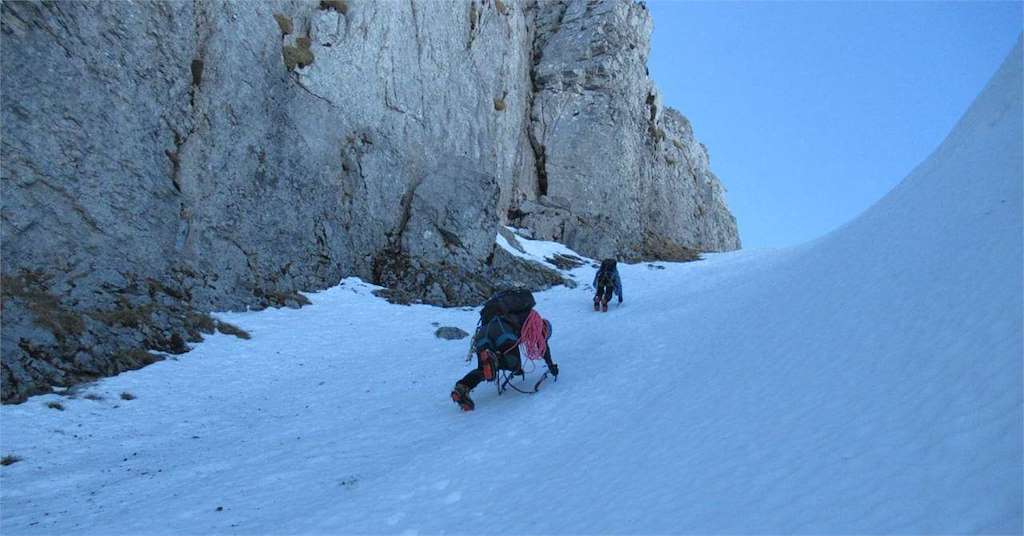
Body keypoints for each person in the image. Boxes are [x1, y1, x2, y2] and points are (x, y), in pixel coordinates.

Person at [452, 289, 558, 411]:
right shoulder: (537, 323)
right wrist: (551, 365)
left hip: (483, 333)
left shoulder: (520, 314)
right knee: (512, 363)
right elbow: (542, 346)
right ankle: (494, 359)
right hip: (502, 331)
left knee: (485, 369)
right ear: (546, 329)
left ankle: (462, 387)